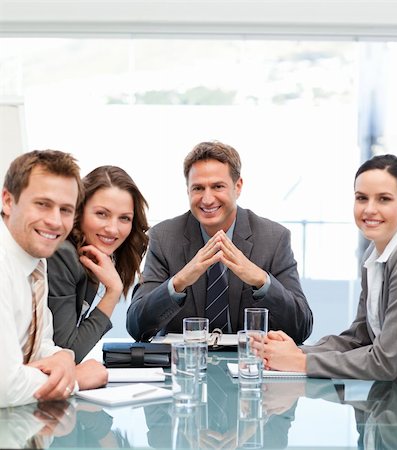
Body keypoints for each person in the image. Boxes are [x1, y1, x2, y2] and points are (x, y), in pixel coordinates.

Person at [258, 154, 397, 401]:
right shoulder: (377, 251)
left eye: (384, 199)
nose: (369, 209)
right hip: (388, 405)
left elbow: (385, 362)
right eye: (362, 198)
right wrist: (296, 351)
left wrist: (301, 362)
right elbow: (359, 337)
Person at [127, 141, 312, 342]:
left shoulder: (274, 238)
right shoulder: (164, 237)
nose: (207, 199)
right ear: (187, 190)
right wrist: (179, 282)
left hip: (249, 364)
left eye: (217, 187)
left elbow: (301, 327)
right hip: (186, 364)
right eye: (198, 188)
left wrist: (261, 280)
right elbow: (136, 326)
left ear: (238, 186)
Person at [0, 150, 108, 408]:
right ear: (7, 201)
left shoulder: (36, 260)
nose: (55, 222)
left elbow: (41, 344)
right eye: (42, 204)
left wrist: (63, 358)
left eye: (65, 210)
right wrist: (76, 379)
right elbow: (5, 386)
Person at [47, 166, 149, 362]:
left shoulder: (92, 255)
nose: (112, 229)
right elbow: (67, 353)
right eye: (102, 214)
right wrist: (113, 292)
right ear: (79, 211)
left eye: (124, 218)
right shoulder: (63, 254)